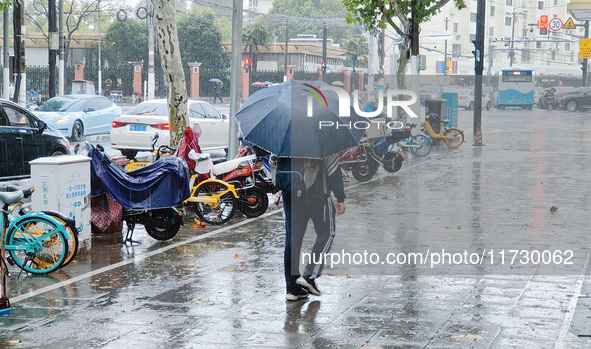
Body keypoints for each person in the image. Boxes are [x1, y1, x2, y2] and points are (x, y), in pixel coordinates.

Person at [280, 154, 347, 301]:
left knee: (293, 240)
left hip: (290, 194)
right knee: (327, 233)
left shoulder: (284, 138)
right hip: (318, 195)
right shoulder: (322, 136)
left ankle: (292, 288)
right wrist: (340, 197)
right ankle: (309, 275)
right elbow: (333, 169)